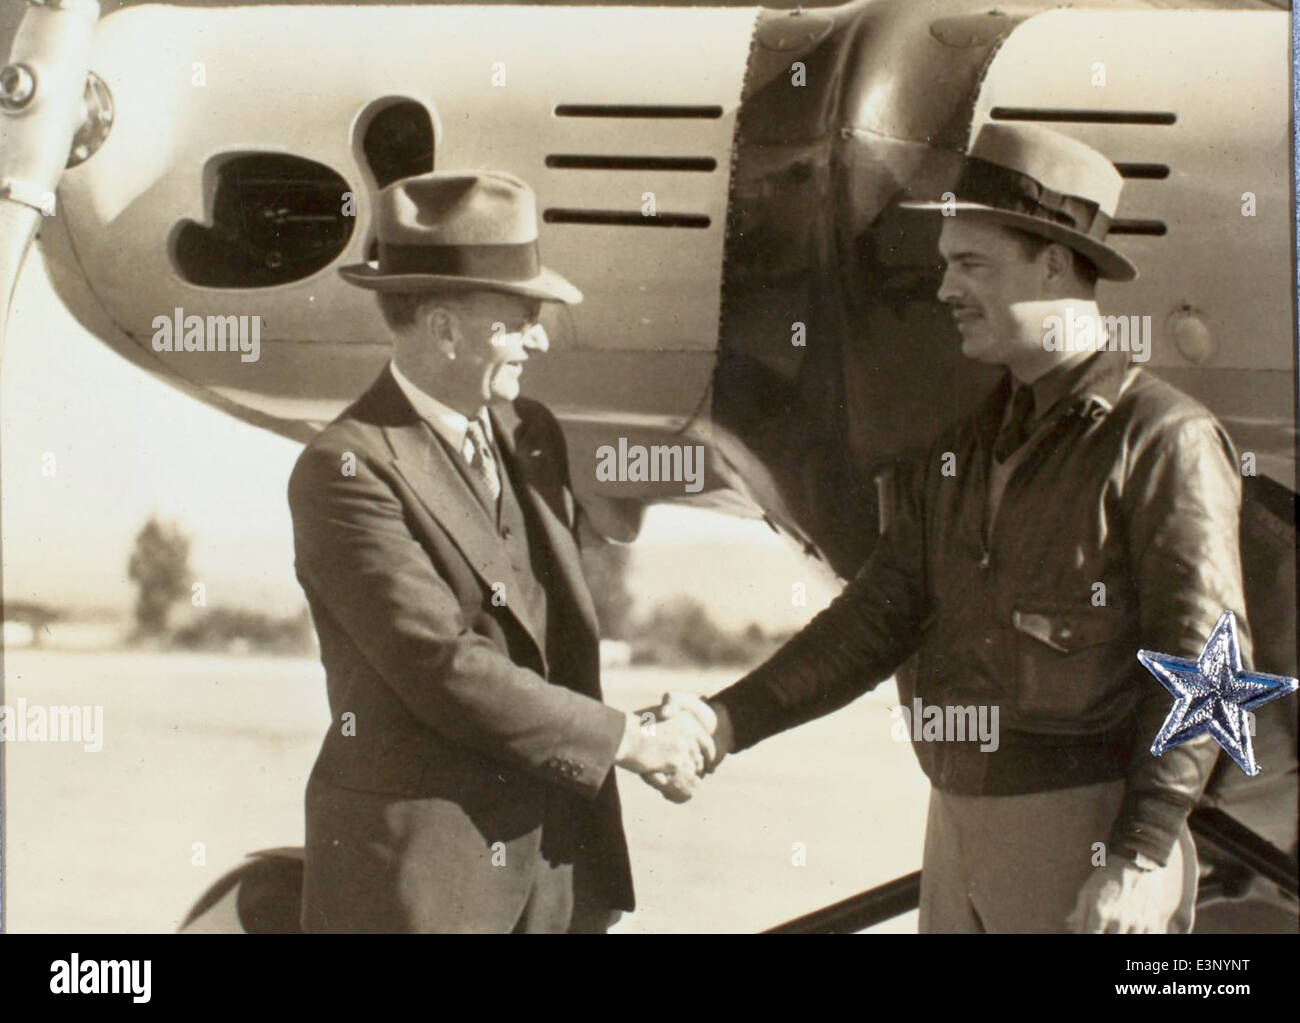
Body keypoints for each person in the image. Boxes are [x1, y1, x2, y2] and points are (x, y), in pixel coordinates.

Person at [686, 123, 1249, 933]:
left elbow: (1208, 668)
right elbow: (879, 614)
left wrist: (1143, 855)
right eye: (947, 263)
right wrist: (726, 718)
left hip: (1086, 839)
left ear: (1054, 263)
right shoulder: (967, 444)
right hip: (958, 825)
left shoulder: (1164, 439)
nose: (945, 288)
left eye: (972, 264)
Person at [288, 170, 714, 933]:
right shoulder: (344, 468)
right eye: (520, 317)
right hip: (422, 891)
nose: (541, 337)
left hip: (559, 876)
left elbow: (547, 645)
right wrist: (633, 740)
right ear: (447, 329)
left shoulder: (532, 434)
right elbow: (444, 666)